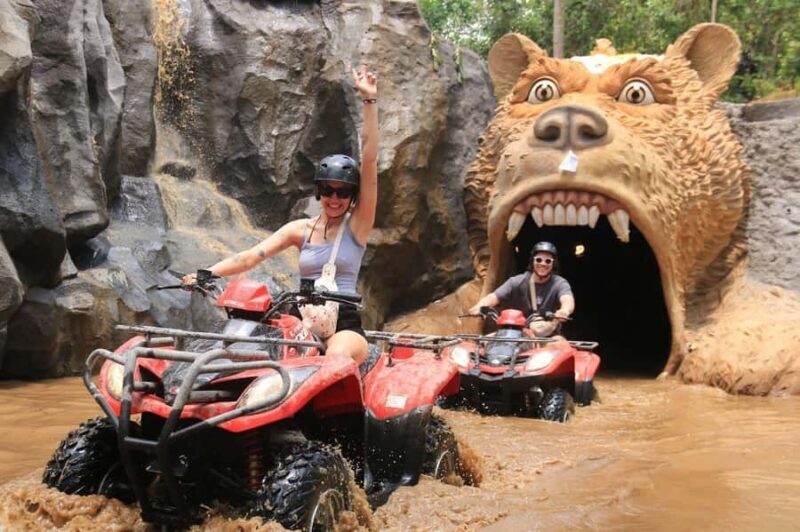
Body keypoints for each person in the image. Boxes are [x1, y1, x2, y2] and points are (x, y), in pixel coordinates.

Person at [182, 65, 378, 364]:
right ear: (319, 191)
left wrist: (369, 102)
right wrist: (205, 274)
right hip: (301, 319)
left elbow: (370, 159)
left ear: (352, 196)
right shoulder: (300, 229)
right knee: (255, 346)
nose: (334, 198)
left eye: (342, 192)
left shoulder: (358, 228)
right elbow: (251, 256)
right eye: (328, 190)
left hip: (345, 324)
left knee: (335, 355)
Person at [469, 241, 574, 337]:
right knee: (484, 343)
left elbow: (567, 299)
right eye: (538, 260)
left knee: (562, 349)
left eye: (548, 261)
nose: (543, 264)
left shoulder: (559, 283)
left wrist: (564, 310)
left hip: (548, 337)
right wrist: (479, 306)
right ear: (532, 261)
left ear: (553, 264)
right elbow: (494, 296)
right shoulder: (517, 281)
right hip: (517, 334)